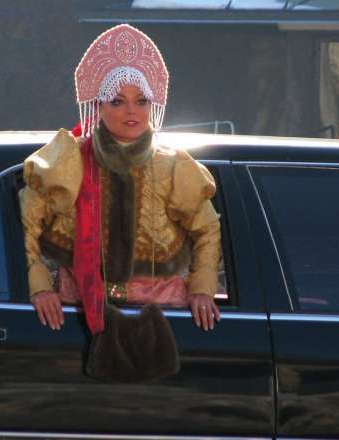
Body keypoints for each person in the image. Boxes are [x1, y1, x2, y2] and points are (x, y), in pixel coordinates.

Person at [20, 24, 222, 336]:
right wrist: (40, 286)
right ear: (98, 106)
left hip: (164, 317)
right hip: (76, 315)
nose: (132, 111)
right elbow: (28, 222)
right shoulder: (69, 159)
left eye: (141, 101)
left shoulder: (173, 166)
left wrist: (202, 289)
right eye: (117, 101)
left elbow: (207, 228)